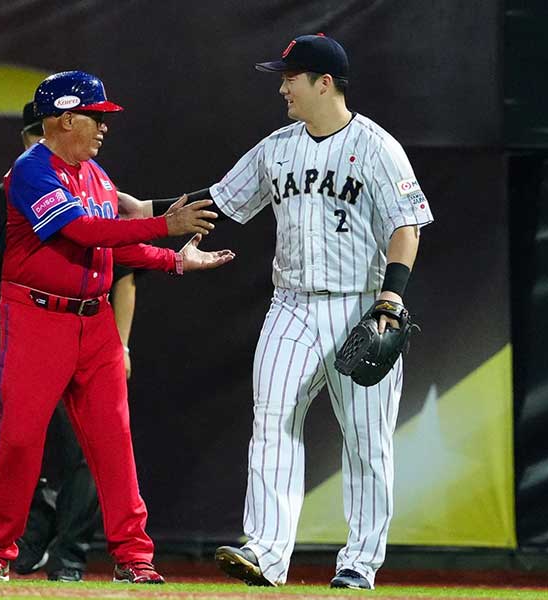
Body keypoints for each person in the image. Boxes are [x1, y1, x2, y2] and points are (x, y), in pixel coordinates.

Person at [0, 70, 234, 584]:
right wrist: (165, 226)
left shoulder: (97, 176)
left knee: (114, 441)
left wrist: (174, 260)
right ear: (66, 119)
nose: (105, 127)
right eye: (97, 117)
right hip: (38, 318)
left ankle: (135, 559)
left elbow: (116, 245)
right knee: (20, 441)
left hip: (95, 323)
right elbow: (82, 230)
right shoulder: (30, 170)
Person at [200, 34, 434, 590]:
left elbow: (407, 225)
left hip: (361, 304)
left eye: (290, 77)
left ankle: (359, 561)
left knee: (366, 438)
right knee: (272, 419)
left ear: (323, 82)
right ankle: (266, 552)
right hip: (292, 305)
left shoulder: (377, 146)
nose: (282, 86)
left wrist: (391, 298)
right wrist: (149, 213)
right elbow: (221, 200)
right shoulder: (276, 148)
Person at [0, 102, 103, 583]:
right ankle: (29, 535)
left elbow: (123, 272)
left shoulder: (92, 187)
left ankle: (70, 557)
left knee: (85, 450)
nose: (38, 146)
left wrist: (119, 341)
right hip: (23, 339)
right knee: (6, 437)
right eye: (31, 138)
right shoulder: (6, 194)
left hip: (80, 336)